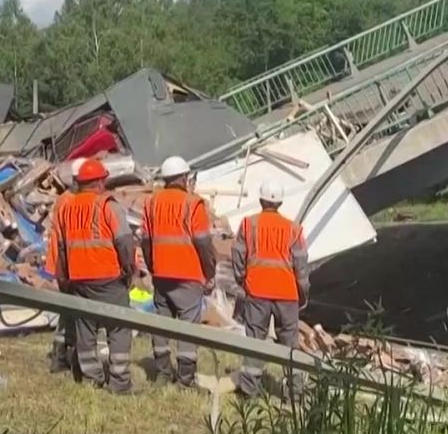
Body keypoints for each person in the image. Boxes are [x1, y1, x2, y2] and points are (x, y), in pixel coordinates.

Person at [50, 158, 138, 394]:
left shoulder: (67, 207)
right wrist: (129, 269)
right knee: (119, 327)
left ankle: (91, 378)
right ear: (100, 182)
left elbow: (61, 246)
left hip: (79, 279)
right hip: (108, 277)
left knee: (85, 329)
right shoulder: (108, 205)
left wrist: (65, 277)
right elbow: (124, 242)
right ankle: (119, 381)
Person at [140, 156, 218, 387]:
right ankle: (185, 379)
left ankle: (163, 373)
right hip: (188, 275)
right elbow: (203, 242)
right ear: (184, 178)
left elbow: (145, 241)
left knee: (162, 324)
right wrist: (209, 272)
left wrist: (152, 266)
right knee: (187, 327)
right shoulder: (193, 204)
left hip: (161, 274)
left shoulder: (152, 203)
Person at [231, 181, 310, 399]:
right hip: (287, 294)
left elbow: (237, 254)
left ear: (261, 200)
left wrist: (242, 280)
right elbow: (301, 265)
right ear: (280, 202)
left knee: (255, 340)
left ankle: (249, 391)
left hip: (257, 290)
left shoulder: (248, 224)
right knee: (290, 344)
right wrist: (303, 292)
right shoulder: (293, 229)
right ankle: (294, 393)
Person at [46, 158, 84, 376]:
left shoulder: (64, 199)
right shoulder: (71, 202)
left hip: (62, 264)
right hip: (68, 265)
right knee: (74, 311)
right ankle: (66, 355)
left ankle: (62, 353)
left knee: (68, 310)